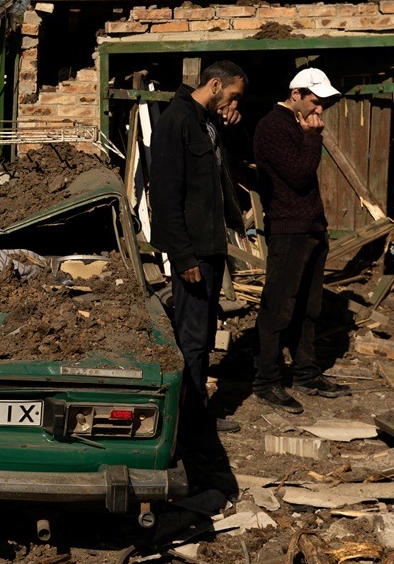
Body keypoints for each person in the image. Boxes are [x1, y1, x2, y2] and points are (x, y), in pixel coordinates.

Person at [149, 61, 248, 436]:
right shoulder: (176, 121)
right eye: (233, 95)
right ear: (215, 84)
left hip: (210, 245)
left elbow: (226, 172)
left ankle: (194, 415)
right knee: (191, 337)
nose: (234, 101)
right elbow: (164, 195)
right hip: (193, 251)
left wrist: (232, 126)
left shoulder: (207, 122)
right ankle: (189, 424)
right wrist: (182, 255)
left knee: (203, 334)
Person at [250, 67, 351, 414]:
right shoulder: (273, 126)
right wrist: (313, 139)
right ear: (296, 94)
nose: (319, 110)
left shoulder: (297, 124)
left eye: (323, 104)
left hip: (310, 226)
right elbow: (298, 175)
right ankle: (266, 381)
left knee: (309, 308)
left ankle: (306, 374)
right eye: (315, 101)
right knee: (278, 307)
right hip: (288, 227)